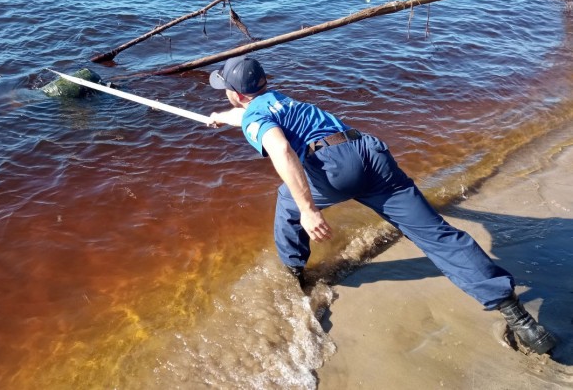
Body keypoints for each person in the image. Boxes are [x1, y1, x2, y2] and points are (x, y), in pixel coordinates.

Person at [207, 55, 557, 355]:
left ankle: (295, 273)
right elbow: (252, 115)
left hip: (334, 167)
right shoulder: (278, 100)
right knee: (437, 234)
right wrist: (222, 117)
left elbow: (280, 149)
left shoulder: (256, 116)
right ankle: (518, 318)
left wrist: (309, 209)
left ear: (236, 94)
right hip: (369, 152)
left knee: (288, 200)